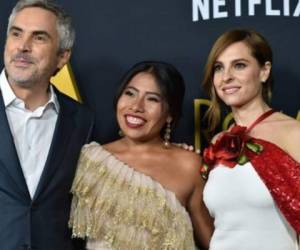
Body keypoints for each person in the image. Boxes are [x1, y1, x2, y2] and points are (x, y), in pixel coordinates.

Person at [69, 61, 213, 249]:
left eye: (152, 99)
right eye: (130, 93)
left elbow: (213, 242)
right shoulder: (91, 161)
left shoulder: (189, 164)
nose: (136, 106)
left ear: (170, 113)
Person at [0, 0, 94, 249]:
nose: (23, 46)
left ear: (62, 57)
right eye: (16, 33)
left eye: (39, 38)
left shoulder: (82, 121)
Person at [201, 29, 300, 250]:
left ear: (264, 71)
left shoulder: (293, 134)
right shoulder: (219, 141)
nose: (226, 77)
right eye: (219, 67)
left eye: (239, 65)